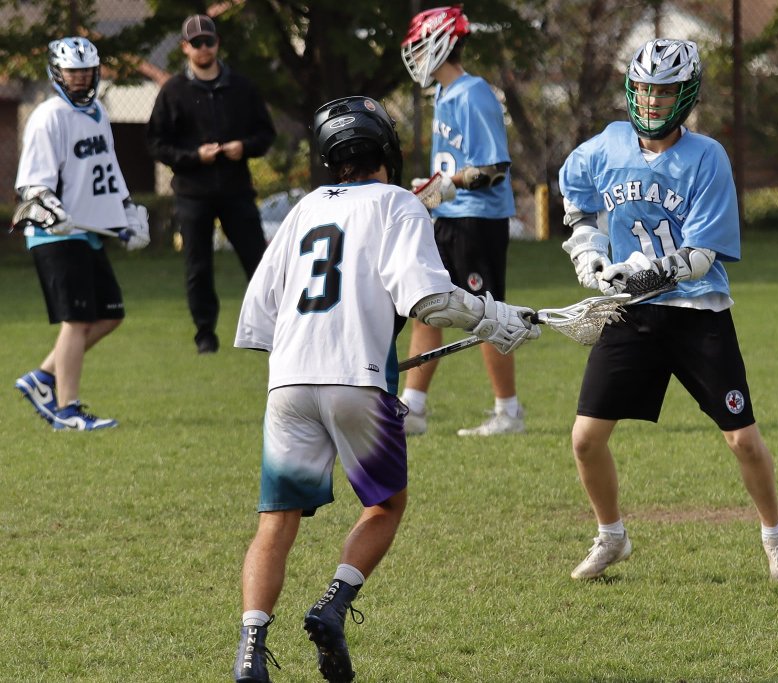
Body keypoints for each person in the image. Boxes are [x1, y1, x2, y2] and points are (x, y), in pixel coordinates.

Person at [230, 96, 539, 683]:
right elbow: (428, 299)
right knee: (384, 505)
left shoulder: (303, 208)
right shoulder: (400, 204)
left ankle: (250, 646)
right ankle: (333, 604)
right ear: (386, 151)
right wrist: (495, 316)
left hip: (288, 383)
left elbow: (259, 313)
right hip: (358, 385)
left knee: (277, 521)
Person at [557, 38, 778, 582]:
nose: (650, 100)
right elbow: (575, 192)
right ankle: (611, 536)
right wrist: (590, 251)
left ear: (685, 95)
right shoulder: (610, 144)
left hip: (696, 311)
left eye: (663, 90)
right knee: (585, 438)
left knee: (742, 438)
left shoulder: (706, 156)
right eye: (643, 88)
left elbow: (701, 256)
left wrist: (643, 271)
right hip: (631, 314)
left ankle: (775, 538)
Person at [398, 6, 524, 436]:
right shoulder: (444, 95)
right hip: (449, 219)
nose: (415, 56)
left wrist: (445, 184)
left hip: (476, 221)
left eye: (419, 47)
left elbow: (494, 168)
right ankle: (412, 409)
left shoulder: (474, 92)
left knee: (487, 314)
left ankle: (508, 412)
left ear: (441, 44)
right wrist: (433, 189)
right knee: (427, 309)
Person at [13, 37, 150, 432]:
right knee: (77, 320)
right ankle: (67, 410)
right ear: (57, 73)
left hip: (88, 233)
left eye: (86, 71)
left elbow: (107, 170)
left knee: (109, 315)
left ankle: (42, 377)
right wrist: (50, 207)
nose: (79, 78)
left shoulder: (97, 113)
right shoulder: (48, 116)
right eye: (72, 71)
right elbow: (33, 184)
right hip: (56, 235)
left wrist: (125, 213)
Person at [146, 14, 275, 354]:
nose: (204, 48)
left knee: (258, 261)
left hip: (236, 190)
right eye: (197, 43)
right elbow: (157, 144)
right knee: (198, 265)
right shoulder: (173, 91)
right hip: (193, 193)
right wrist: (193, 156)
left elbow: (266, 134)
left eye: (209, 41)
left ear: (217, 43)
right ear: (185, 47)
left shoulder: (242, 88)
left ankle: (273, 328)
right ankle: (205, 334)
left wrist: (243, 148)